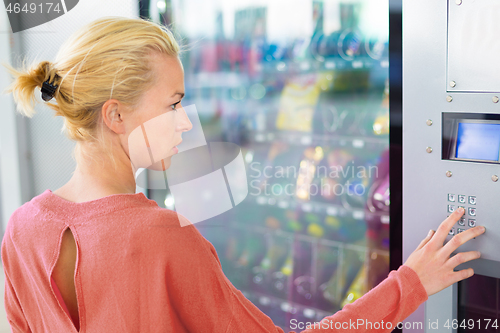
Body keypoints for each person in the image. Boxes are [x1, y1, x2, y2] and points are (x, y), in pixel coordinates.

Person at [1, 16, 485, 333]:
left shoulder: (22, 228)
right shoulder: (160, 238)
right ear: (116, 116)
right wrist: (412, 282)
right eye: (173, 103)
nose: (187, 120)